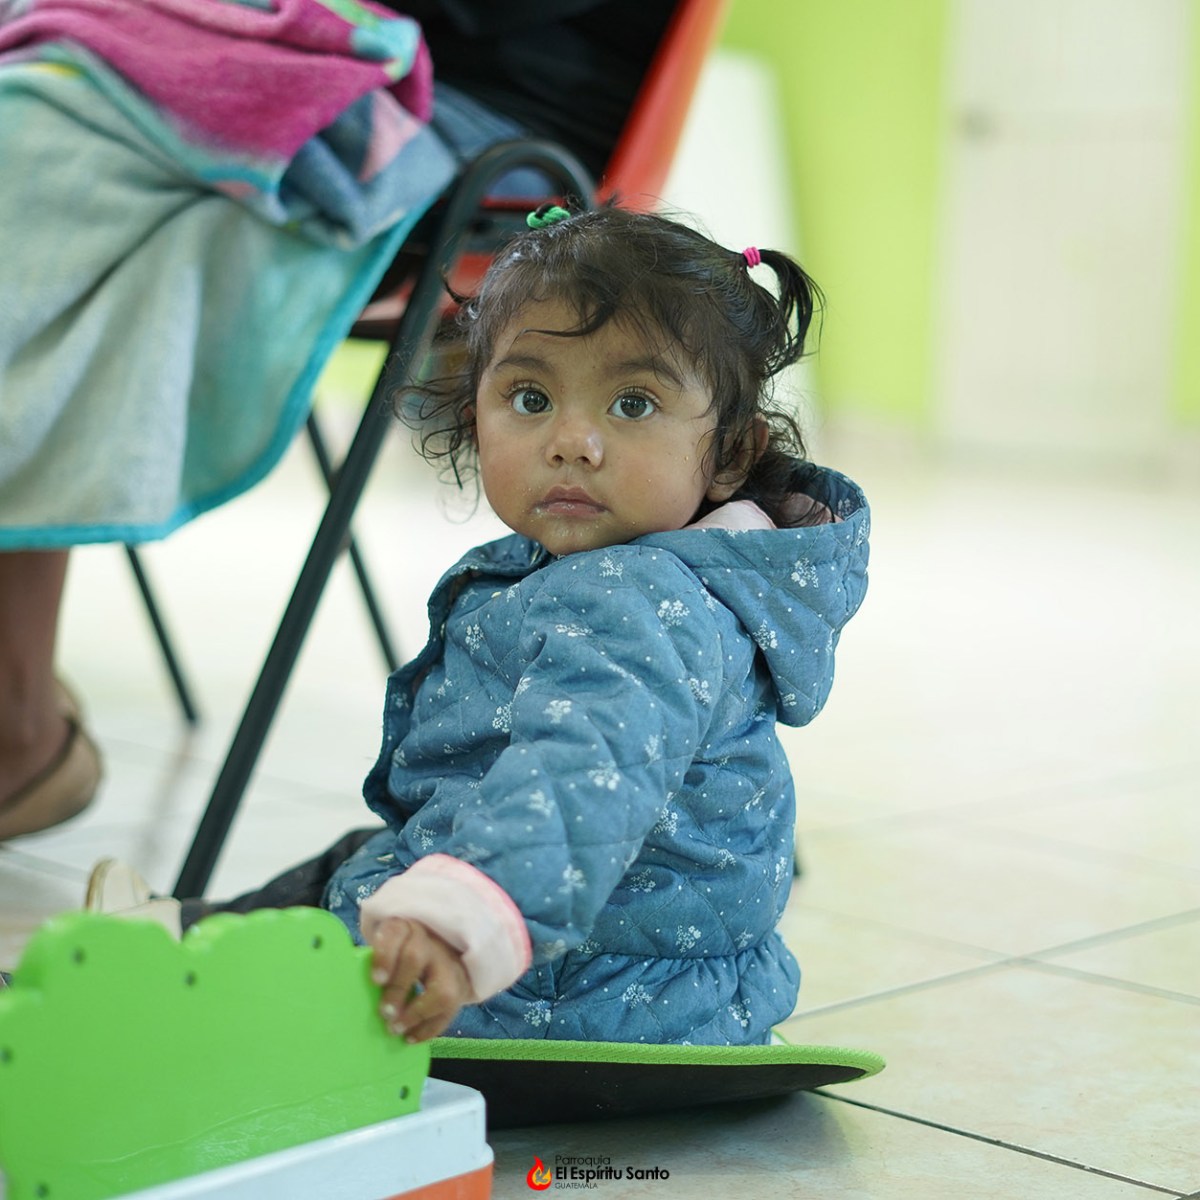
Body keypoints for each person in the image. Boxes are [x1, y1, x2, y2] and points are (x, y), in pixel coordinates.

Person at [93, 203, 871, 1046]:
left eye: (634, 404)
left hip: (573, 983)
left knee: (365, 925)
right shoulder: (612, 570)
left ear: (727, 454)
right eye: (531, 397)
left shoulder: (640, 602)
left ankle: (166, 986)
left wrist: (465, 924)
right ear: (476, 415)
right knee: (362, 862)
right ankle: (181, 937)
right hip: (612, 946)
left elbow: (578, 777)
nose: (573, 441)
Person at [0, 0, 676, 843]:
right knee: (42, 119)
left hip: (496, 107)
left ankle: (16, 716)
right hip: (358, 50)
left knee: (41, 147)